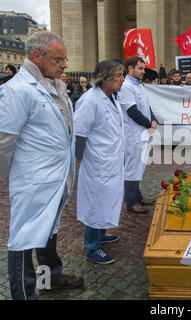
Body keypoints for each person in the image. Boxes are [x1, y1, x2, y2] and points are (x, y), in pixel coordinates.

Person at [0, 31, 83, 300]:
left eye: (65, 59)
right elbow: (4, 140)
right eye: (59, 59)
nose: (65, 64)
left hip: (57, 177)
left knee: (49, 230)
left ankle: (50, 278)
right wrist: (10, 176)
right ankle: (24, 294)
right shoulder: (17, 90)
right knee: (25, 238)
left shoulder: (55, 86)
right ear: (38, 55)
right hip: (34, 180)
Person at [74, 61, 125, 265]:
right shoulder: (90, 100)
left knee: (107, 198)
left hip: (111, 159)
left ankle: (101, 233)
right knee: (95, 203)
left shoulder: (111, 97)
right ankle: (92, 247)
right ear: (105, 79)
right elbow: (79, 133)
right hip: (97, 162)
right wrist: (79, 159)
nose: (123, 79)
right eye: (119, 75)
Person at [118, 56, 158, 214]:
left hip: (142, 133)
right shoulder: (127, 86)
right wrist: (149, 124)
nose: (143, 71)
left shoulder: (139, 86)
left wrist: (153, 119)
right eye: (140, 68)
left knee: (138, 166)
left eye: (143, 68)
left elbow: (146, 108)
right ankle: (131, 201)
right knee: (132, 168)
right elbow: (132, 111)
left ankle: (137, 195)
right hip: (133, 134)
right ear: (130, 68)